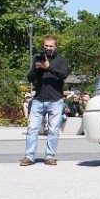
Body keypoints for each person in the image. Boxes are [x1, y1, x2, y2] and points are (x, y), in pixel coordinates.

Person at [21, 35, 70, 166]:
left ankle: (50, 156)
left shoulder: (61, 60)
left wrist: (49, 67)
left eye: (50, 46)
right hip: (38, 99)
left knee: (53, 130)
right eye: (46, 46)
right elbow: (30, 78)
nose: (48, 48)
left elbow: (64, 74)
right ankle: (29, 156)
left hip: (55, 100)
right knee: (32, 129)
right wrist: (36, 68)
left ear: (55, 47)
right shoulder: (38, 59)